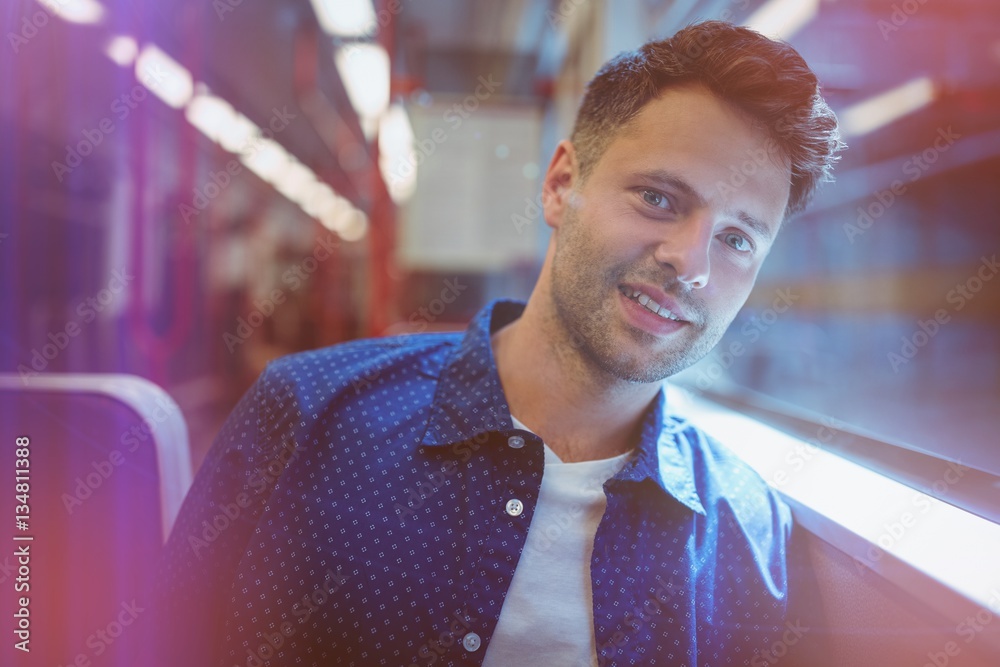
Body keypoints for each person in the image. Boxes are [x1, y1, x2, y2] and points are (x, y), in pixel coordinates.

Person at [151, 19, 843, 667]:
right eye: (659, 198)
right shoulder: (309, 417)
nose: (690, 262)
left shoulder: (750, 536)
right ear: (560, 183)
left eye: (736, 239)